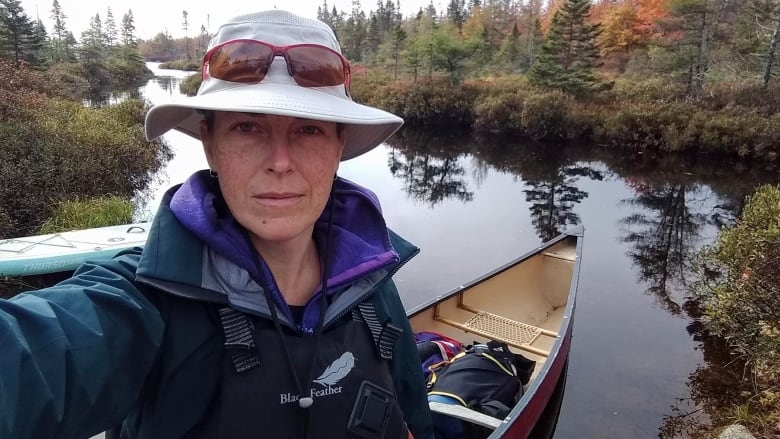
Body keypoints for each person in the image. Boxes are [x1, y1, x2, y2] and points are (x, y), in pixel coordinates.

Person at [0, 10, 434, 439]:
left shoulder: (373, 282)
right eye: (248, 128)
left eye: (308, 130)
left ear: (338, 145)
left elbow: (414, 417)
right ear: (210, 142)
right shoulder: (145, 298)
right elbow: (32, 358)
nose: (280, 163)